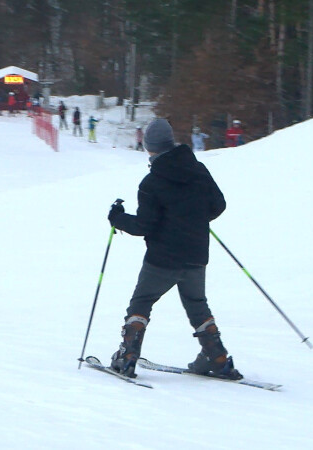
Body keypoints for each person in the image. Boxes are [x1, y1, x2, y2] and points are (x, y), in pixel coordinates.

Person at [106, 118, 240, 381]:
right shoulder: (198, 170)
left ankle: (128, 355)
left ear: (150, 147)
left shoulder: (152, 182)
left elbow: (144, 225)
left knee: (142, 301)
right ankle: (217, 357)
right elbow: (218, 205)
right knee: (196, 304)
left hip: (162, 258)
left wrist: (117, 218)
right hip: (196, 253)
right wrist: (194, 218)